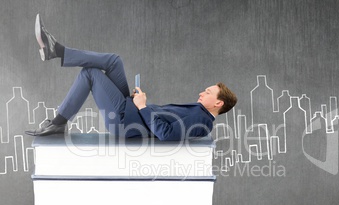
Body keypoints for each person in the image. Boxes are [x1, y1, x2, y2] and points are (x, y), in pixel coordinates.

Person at [25, 14, 237, 141]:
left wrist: (143, 106)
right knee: (114, 61)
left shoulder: (202, 121)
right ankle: (58, 50)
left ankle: (58, 123)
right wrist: (141, 102)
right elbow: (163, 118)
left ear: (218, 102)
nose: (201, 92)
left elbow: (167, 134)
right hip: (132, 112)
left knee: (89, 73)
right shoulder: (199, 111)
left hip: (125, 123)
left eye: (208, 92)